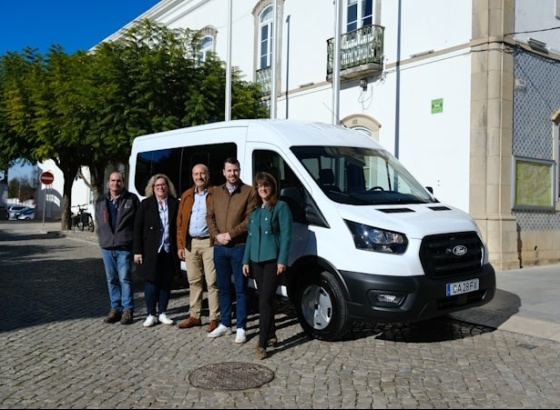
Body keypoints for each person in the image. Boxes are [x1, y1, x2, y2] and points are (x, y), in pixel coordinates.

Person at [242, 172, 292, 360]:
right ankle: (271, 334)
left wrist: (282, 260)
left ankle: (262, 343)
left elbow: (286, 236)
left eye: (266, 185)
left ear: (272, 187)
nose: (262, 189)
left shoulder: (281, 207)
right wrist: (245, 260)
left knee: (264, 300)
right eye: (259, 186)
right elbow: (250, 237)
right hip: (256, 260)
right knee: (265, 299)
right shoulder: (255, 210)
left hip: (272, 260)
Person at [207, 157, 256, 343]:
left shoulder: (249, 191)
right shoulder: (216, 192)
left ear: (239, 171)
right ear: (223, 172)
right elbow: (210, 217)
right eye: (229, 170)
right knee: (223, 288)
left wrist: (231, 234)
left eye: (235, 170)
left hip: (239, 246)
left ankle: (241, 327)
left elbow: (249, 219)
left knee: (241, 289)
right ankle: (225, 323)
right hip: (219, 247)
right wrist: (216, 235)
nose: (232, 174)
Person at [176, 164, 219, 333]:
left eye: (202, 173)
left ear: (208, 175)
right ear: (192, 176)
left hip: (209, 243)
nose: (199, 177)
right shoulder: (187, 195)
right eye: (196, 174)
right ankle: (195, 316)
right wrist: (180, 244)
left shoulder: (216, 193)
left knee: (212, 282)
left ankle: (214, 318)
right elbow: (180, 222)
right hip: (190, 243)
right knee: (194, 281)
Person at [133, 174, 180, 327]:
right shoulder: (145, 204)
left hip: (168, 250)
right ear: (152, 188)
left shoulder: (175, 203)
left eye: (163, 185)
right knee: (151, 282)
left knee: (166, 282)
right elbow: (137, 229)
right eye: (157, 185)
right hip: (150, 250)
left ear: (168, 187)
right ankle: (151, 314)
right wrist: (137, 251)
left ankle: (163, 313)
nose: (160, 187)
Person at [95, 171, 140, 325]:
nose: (115, 183)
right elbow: (99, 221)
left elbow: (137, 223)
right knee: (111, 279)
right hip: (107, 246)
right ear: (108, 183)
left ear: (123, 182)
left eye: (118, 181)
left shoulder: (131, 199)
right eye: (113, 181)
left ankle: (128, 310)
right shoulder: (101, 200)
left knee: (125, 278)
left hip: (124, 246)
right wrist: (102, 237)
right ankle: (115, 308)